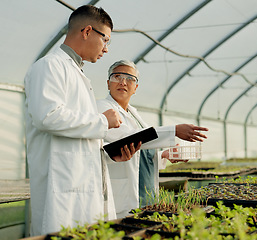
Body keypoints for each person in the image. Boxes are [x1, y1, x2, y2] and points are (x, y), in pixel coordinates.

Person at [24, 6, 140, 236]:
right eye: (105, 40)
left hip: (80, 185)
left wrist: (105, 153)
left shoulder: (77, 73)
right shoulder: (49, 67)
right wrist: (103, 122)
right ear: (87, 31)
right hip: (61, 187)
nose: (106, 49)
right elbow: (47, 117)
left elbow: (78, 132)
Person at [97, 60, 208, 218]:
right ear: (108, 83)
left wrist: (163, 156)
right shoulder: (101, 107)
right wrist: (174, 130)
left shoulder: (135, 114)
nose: (123, 82)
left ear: (135, 88)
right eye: (117, 76)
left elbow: (144, 150)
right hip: (123, 194)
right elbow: (126, 138)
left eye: (130, 78)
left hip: (146, 191)